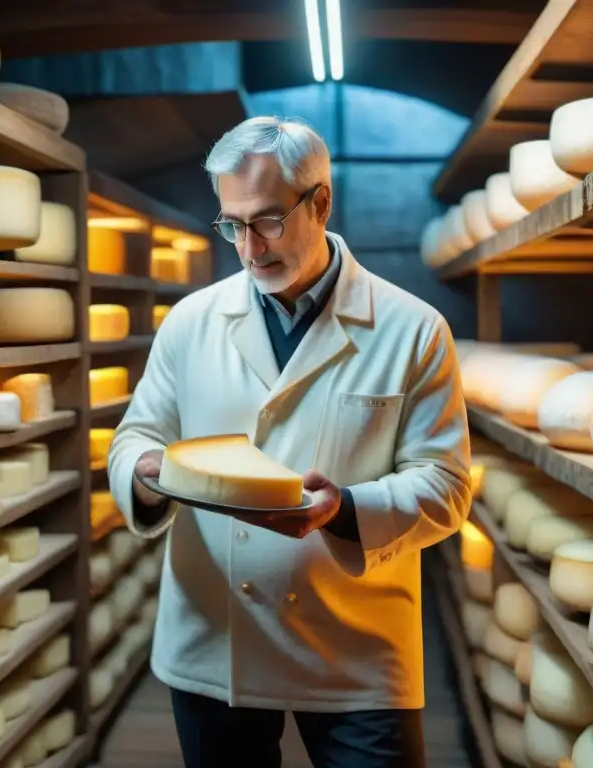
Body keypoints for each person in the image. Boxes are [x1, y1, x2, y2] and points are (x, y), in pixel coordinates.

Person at [107, 115, 472, 768]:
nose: (249, 247)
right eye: (232, 225)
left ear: (321, 201)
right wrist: (146, 470)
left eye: (268, 220)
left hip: (355, 649)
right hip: (218, 643)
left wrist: (349, 508)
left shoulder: (413, 330)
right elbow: (136, 436)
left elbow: (445, 486)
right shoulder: (192, 322)